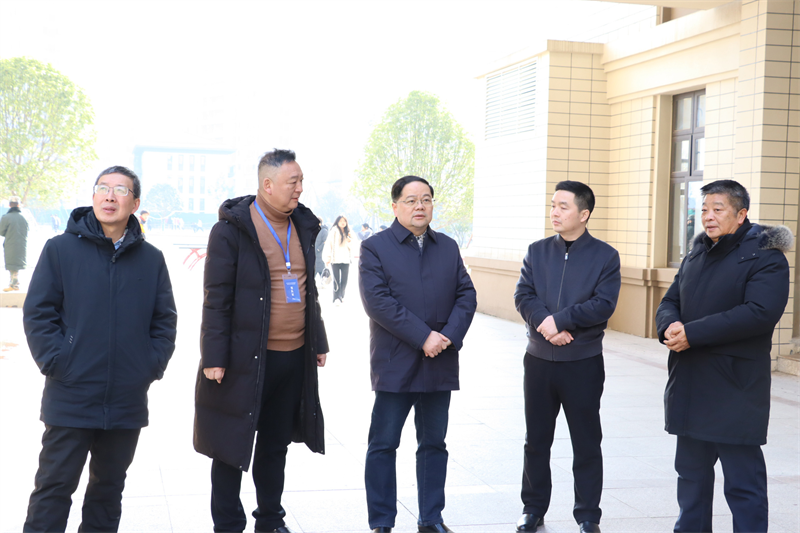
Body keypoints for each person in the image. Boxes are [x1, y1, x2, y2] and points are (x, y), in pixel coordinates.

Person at [21, 166, 177, 533]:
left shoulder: (151, 259)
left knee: (107, 493)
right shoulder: (60, 249)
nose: (110, 196)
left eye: (120, 190)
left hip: (125, 400)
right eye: (103, 188)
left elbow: (164, 321)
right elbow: (38, 313)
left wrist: (149, 366)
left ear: (134, 203)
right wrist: (58, 361)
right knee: (53, 489)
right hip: (70, 394)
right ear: (93, 196)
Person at [194, 149, 329, 533]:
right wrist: (214, 357)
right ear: (267, 185)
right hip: (243, 360)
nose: (299, 189)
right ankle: (228, 525)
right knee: (229, 446)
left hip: (292, 358)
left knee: (275, 445)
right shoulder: (231, 231)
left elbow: (308, 290)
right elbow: (216, 298)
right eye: (292, 182)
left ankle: (270, 520)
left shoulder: (303, 225)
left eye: (301, 181)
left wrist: (318, 340)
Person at [655, 180, 791, 533]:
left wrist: (693, 333)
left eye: (718, 209)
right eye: (704, 209)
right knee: (691, 479)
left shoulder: (766, 256)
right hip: (690, 383)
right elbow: (670, 300)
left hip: (734, 388)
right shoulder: (697, 252)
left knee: (743, 484)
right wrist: (669, 326)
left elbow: (759, 313)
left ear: (741, 214)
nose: (708, 217)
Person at [360, 175, 477, 533]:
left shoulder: (448, 247)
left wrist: (447, 336)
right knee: (383, 444)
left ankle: (431, 518)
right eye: (411, 200)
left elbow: (467, 295)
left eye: (426, 199)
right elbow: (377, 302)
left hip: (439, 361)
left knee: (434, 444)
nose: (420, 206)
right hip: (396, 362)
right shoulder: (375, 247)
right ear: (395, 206)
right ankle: (382, 521)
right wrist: (423, 336)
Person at [514, 180, 620, 533]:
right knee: (536, 440)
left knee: (586, 441)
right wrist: (546, 325)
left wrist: (560, 320)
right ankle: (533, 509)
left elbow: (603, 304)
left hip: (582, 362)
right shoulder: (537, 251)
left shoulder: (605, 256)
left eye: (563, 206)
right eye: (553, 205)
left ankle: (588, 515)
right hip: (538, 362)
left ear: (584, 214)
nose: (555, 212)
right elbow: (523, 295)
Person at [323, 215, 353, 305]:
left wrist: (349, 240)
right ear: (337, 222)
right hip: (335, 260)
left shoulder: (349, 232)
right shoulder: (333, 231)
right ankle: (336, 298)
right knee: (336, 280)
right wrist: (328, 258)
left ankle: (341, 296)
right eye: (341, 221)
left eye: (344, 221)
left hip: (346, 260)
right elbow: (328, 245)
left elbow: (352, 246)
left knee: (344, 280)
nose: (343, 222)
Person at [0, 196, 28, 292]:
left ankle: (14, 284)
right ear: (19, 205)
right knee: (16, 264)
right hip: (22, 244)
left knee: (12, 265)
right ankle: (15, 282)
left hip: (10, 244)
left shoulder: (6, 217)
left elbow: (1, 232)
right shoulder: (24, 217)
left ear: (9, 205)